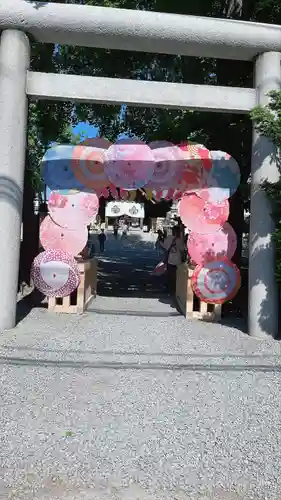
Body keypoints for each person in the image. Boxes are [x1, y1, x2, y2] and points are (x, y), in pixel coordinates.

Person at [161, 226, 186, 294]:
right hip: (178, 260)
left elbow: (165, 247)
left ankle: (170, 288)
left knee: (170, 274)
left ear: (172, 231)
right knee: (177, 276)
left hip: (170, 259)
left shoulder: (169, 238)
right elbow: (183, 249)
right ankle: (175, 289)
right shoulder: (180, 240)